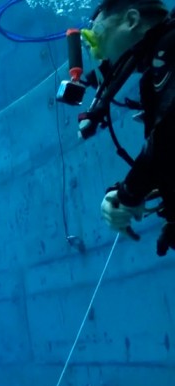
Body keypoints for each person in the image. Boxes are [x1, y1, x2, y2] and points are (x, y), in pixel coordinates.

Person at [87, 0, 175, 255]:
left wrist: (130, 191)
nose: (97, 53)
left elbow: (169, 133)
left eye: (98, 35)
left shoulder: (169, 46)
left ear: (132, 20)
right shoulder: (156, 73)